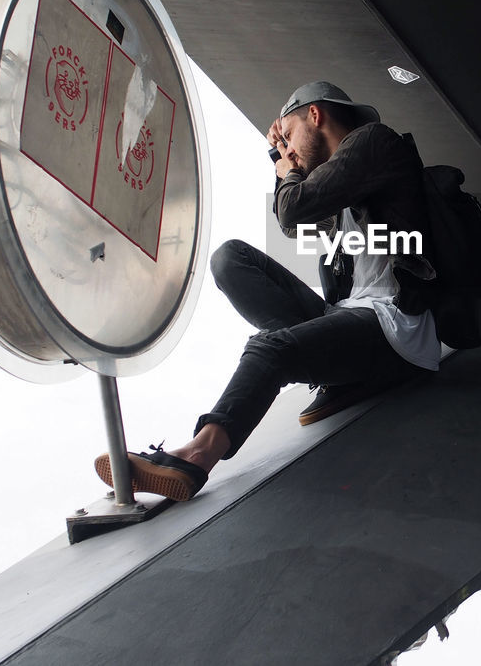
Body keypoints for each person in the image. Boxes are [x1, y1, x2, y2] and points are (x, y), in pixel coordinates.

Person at [95, 81, 439, 501]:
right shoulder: (342, 179)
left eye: (289, 136)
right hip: (350, 316)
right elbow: (294, 223)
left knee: (269, 347)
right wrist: (284, 161)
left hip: (394, 329)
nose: (288, 151)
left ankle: (196, 456)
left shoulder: (372, 142)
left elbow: (293, 206)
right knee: (230, 258)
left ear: (315, 116)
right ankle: (324, 365)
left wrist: (288, 169)